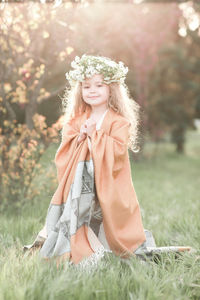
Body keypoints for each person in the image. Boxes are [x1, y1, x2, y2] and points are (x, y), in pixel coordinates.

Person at [23, 54, 156, 267]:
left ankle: (106, 247)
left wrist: (97, 135)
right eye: (86, 86)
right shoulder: (76, 120)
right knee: (79, 215)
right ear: (80, 90)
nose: (92, 91)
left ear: (111, 88)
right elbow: (65, 150)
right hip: (79, 186)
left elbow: (118, 152)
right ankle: (77, 249)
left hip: (107, 185)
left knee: (107, 220)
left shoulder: (118, 122)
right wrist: (81, 137)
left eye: (99, 85)